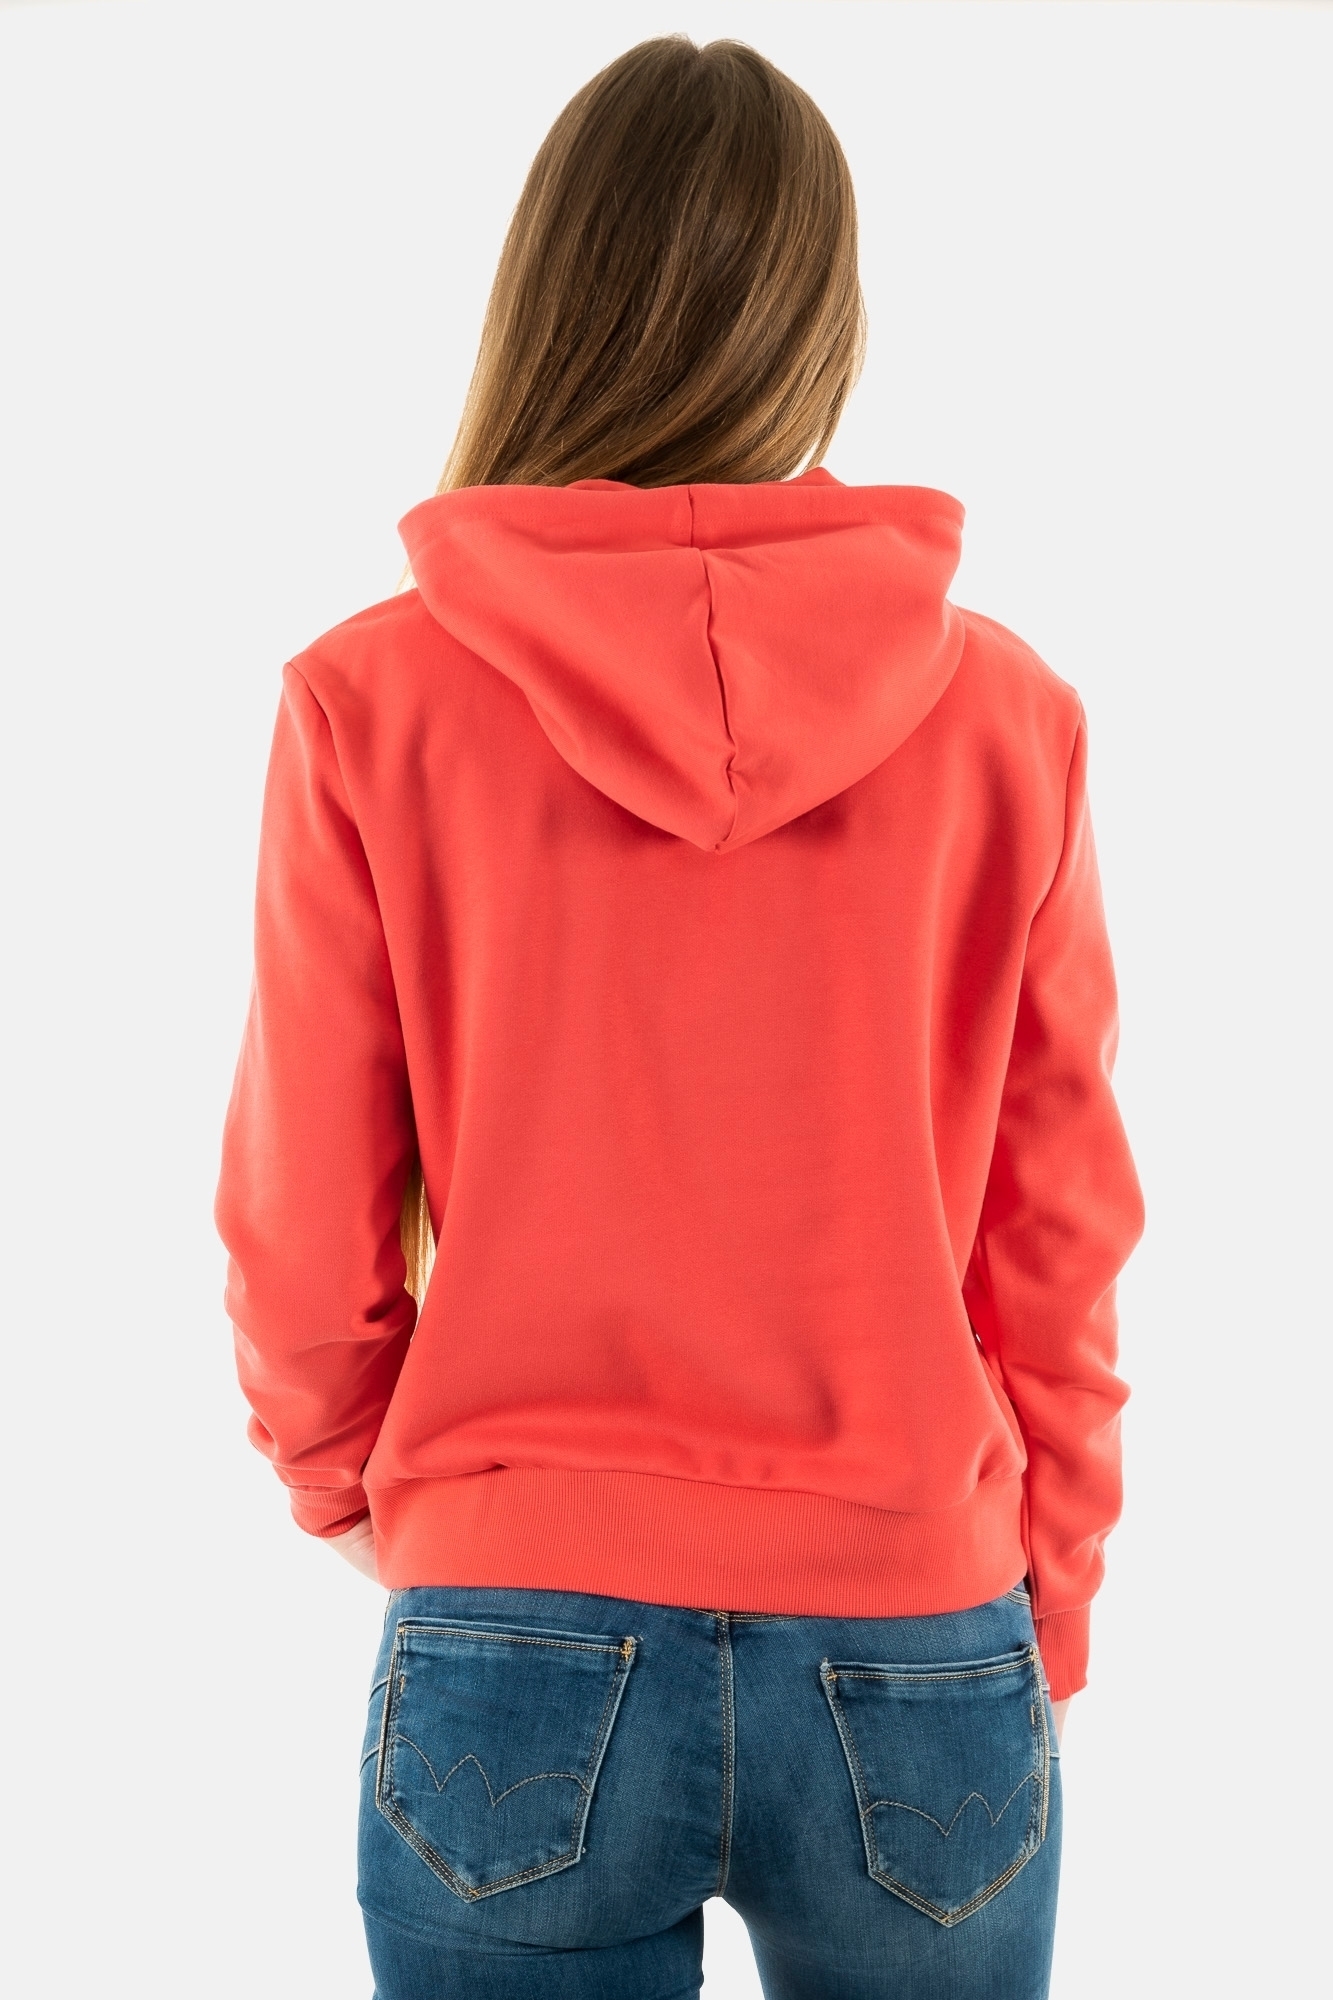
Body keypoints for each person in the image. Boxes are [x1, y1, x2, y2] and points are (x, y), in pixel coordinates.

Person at [215, 34, 1143, 2000]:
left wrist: (361, 1482)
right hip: (918, 1619)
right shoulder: (1007, 717)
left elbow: (299, 1210)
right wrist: (1047, 1588)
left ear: (548, 294)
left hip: (513, 1613)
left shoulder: (372, 698)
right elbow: (1058, 1225)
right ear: (822, 318)